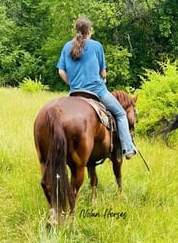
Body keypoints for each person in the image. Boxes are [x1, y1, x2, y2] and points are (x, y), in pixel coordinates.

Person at [57, 17, 137, 159]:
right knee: (120, 114)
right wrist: (104, 79)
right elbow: (103, 73)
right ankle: (128, 148)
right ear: (89, 31)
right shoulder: (96, 46)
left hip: (75, 93)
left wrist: (72, 83)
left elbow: (61, 71)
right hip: (97, 91)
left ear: (77, 30)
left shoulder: (66, 47)